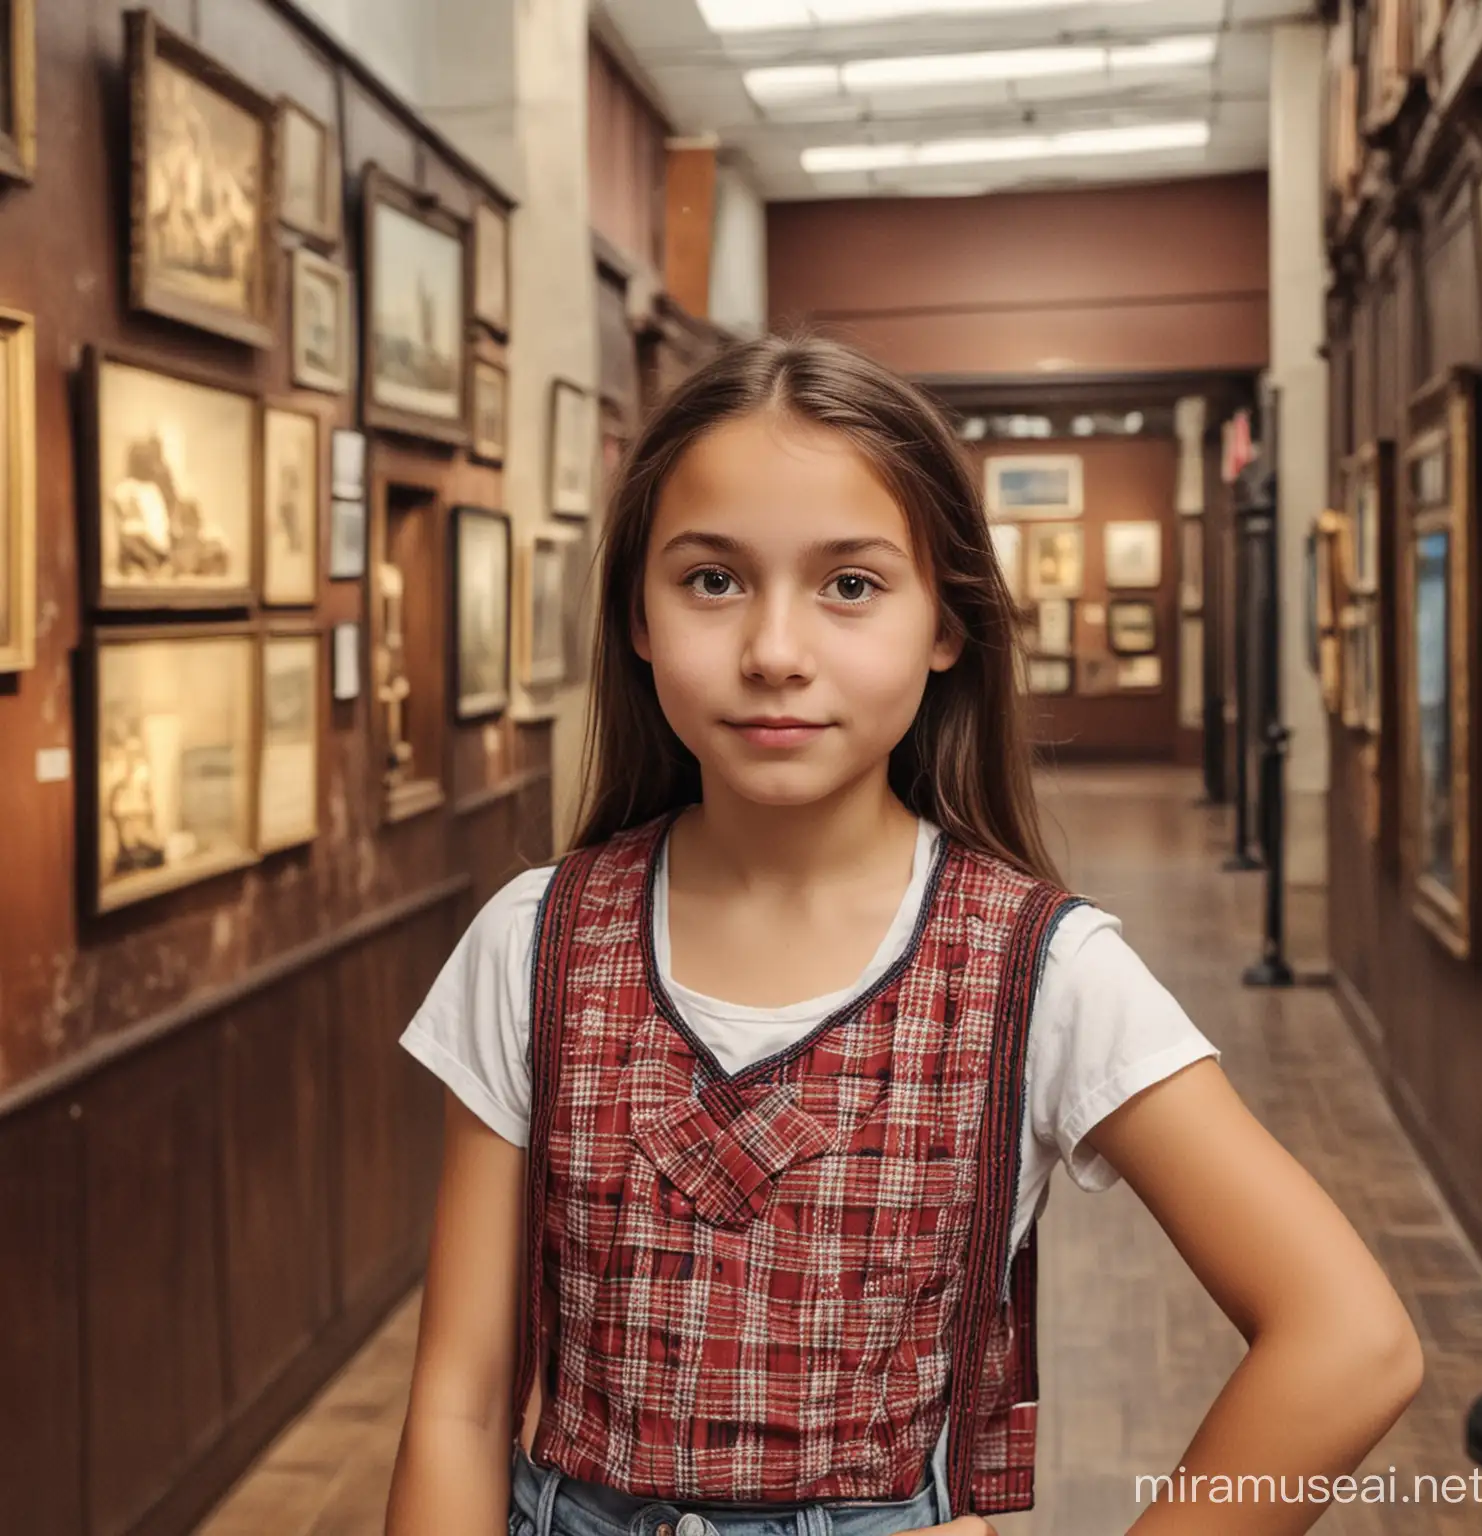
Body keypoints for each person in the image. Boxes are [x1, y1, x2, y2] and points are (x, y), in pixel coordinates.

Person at [387, 336, 1422, 1536]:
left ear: (947, 623)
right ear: (636, 615)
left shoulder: (1041, 969)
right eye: (712, 581)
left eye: (851, 586)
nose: (775, 651)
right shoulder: (535, 942)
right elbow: (459, 1407)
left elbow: (1351, 1342)